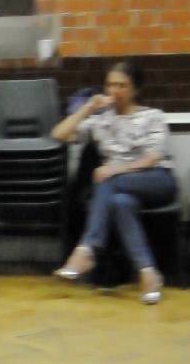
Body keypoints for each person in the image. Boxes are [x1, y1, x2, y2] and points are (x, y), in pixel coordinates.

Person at [51, 60, 175, 305]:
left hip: (156, 180)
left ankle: (87, 249)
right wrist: (87, 108)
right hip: (120, 186)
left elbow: (152, 158)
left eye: (122, 85)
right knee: (120, 203)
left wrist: (115, 170)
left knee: (107, 179)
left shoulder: (152, 116)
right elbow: (59, 134)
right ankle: (149, 274)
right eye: (110, 85)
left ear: (135, 89)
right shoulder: (101, 120)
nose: (114, 91)